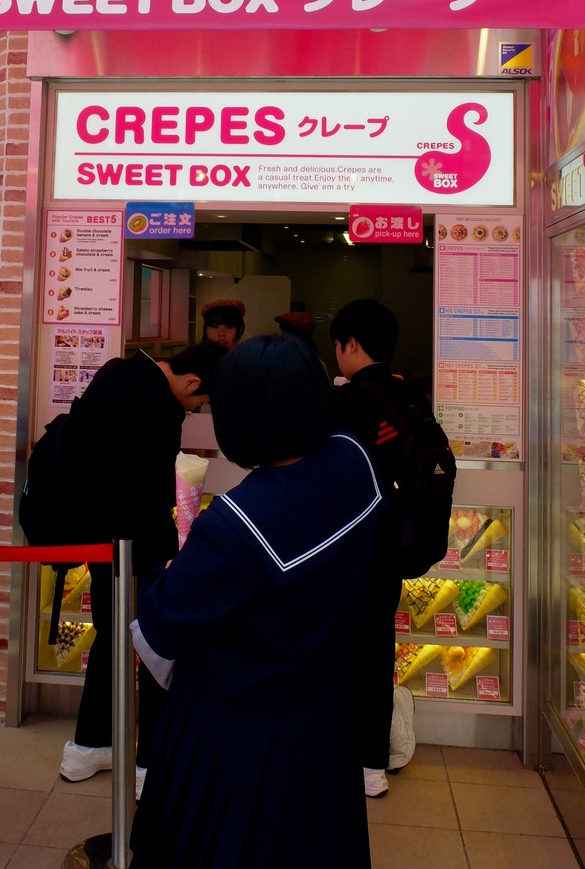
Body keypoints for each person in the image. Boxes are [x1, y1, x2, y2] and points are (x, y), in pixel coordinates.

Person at [129, 334, 383, 868]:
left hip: (237, 737)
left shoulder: (236, 523)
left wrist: (168, 573)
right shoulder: (355, 462)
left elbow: (162, 624)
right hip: (326, 719)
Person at [57, 341, 228, 797]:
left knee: (112, 635)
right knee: (155, 640)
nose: (193, 409)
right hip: (139, 541)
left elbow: (80, 450)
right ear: (191, 382)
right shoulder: (160, 404)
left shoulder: (116, 371)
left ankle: (90, 745)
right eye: (199, 401)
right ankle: (149, 763)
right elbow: (152, 490)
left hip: (99, 537)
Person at [329, 298, 418, 798]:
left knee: (342, 647)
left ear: (350, 344)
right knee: (378, 647)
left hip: (348, 546)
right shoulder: (408, 395)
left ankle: (340, 753)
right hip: (391, 543)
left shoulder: (351, 401)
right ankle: (372, 766)